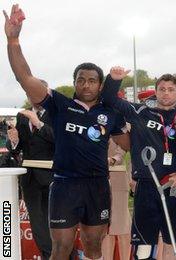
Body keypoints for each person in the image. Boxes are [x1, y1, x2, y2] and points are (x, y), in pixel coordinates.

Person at [4, 5, 128, 259]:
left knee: (94, 248)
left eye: (92, 80)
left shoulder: (110, 112)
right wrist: (13, 40)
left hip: (97, 186)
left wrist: (126, 121)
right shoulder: (61, 105)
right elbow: (24, 77)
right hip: (64, 185)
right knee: (61, 249)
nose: (85, 84)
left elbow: (125, 144)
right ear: (74, 83)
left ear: (100, 85)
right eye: (80, 80)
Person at [100, 67, 176, 260]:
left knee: (172, 242)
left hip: (174, 187)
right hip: (147, 186)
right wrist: (114, 80)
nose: (166, 93)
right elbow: (109, 99)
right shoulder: (140, 111)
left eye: (170, 89)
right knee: (144, 245)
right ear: (156, 91)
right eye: (162, 89)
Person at [7, 103, 54, 260]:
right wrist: (13, 141)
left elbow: (59, 139)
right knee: (37, 224)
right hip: (29, 179)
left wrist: (38, 123)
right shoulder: (22, 116)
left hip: (52, 177)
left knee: (55, 223)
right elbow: (17, 148)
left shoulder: (57, 112)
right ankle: (49, 256)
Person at [101, 138, 132, 260]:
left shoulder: (122, 125)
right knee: (106, 228)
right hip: (97, 182)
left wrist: (114, 159)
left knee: (123, 227)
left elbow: (124, 148)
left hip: (118, 181)